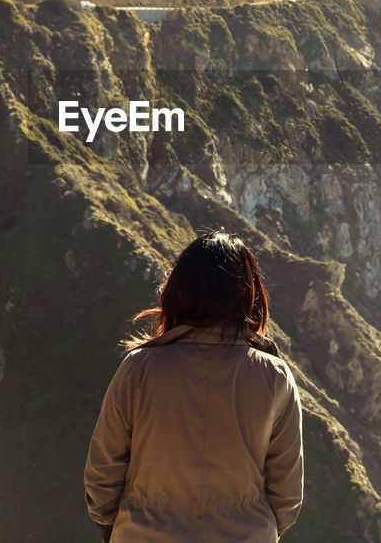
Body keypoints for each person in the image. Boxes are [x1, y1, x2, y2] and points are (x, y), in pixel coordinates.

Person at [84, 231, 304, 542]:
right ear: (250, 294)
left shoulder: (139, 369)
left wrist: (119, 530)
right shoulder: (275, 377)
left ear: (178, 291)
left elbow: (102, 475)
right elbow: (288, 495)